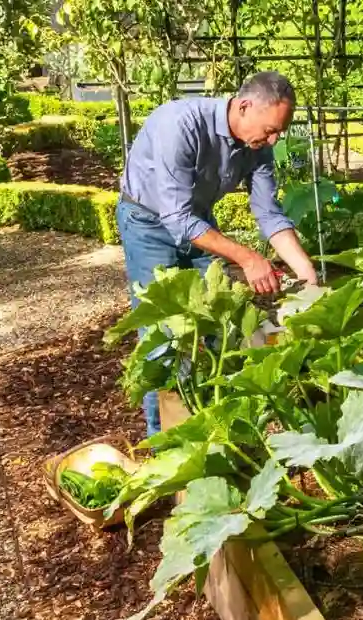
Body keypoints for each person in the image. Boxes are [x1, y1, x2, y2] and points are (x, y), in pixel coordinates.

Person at [117, 70, 319, 437]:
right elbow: (175, 216)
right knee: (162, 337)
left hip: (198, 222)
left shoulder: (258, 145)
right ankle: (163, 444)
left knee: (215, 328)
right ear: (244, 106)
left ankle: (210, 432)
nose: (274, 139)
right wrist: (247, 257)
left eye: (279, 132)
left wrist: (305, 270)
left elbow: (268, 212)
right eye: (271, 129)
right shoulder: (180, 125)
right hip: (147, 224)